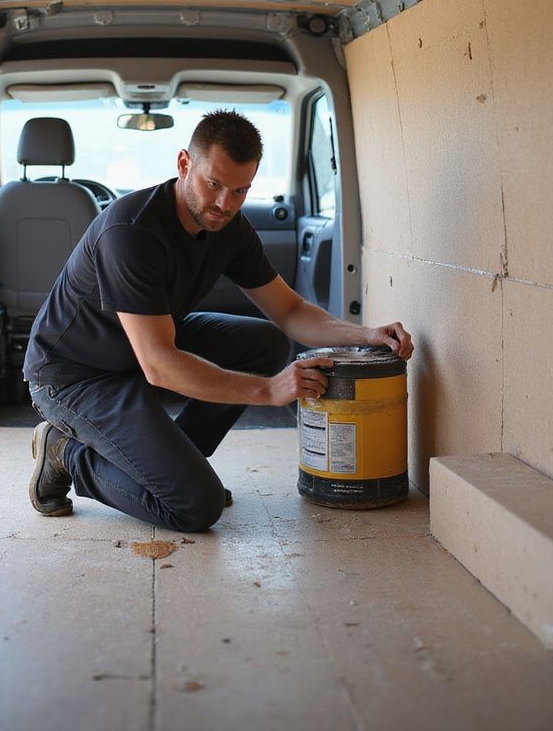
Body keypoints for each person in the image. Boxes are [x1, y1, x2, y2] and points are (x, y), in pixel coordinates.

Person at [24, 109, 413, 532]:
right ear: (183, 164)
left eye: (241, 190)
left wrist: (366, 335)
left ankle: (178, 464)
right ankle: (65, 453)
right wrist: (267, 390)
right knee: (194, 506)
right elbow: (158, 364)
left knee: (263, 342)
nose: (225, 204)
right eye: (214, 185)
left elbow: (291, 311)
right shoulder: (131, 232)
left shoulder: (229, 227)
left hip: (141, 355)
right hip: (75, 376)